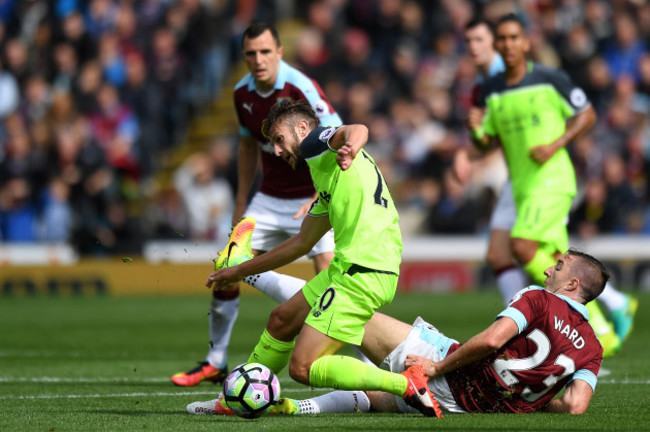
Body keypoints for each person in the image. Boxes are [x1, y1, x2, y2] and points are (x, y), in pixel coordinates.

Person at [191, 99, 442, 418]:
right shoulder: (327, 179)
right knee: (281, 320)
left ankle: (407, 385)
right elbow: (300, 243)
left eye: (279, 140)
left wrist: (350, 145)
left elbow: (357, 129)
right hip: (349, 268)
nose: (278, 152)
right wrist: (239, 270)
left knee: (303, 367)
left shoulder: (315, 143)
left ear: (302, 128)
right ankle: (235, 401)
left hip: (362, 272)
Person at [190, 248, 608, 416]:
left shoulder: (538, 298)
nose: (550, 267)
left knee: (341, 304)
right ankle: (294, 410)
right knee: (371, 399)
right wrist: (516, 396)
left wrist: (436, 364)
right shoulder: (592, 346)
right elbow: (575, 405)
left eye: (560, 266)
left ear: (572, 285)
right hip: (462, 408)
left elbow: (493, 340)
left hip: (440, 370)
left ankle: (247, 267)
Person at [171, 22, 342, 386]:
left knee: (331, 277)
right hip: (268, 200)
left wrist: (319, 194)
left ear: (279, 52)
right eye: (251, 53)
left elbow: (335, 137)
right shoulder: (240, 94)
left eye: (265, 51)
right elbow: (248, 146)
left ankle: (364, 362)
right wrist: (240, 202)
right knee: (227, 261)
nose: (258, 59)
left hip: (310, 197)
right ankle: (216, 360)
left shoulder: (302, 87)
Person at [468, 13, 636, 357]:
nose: (509, 44)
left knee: (523, 246)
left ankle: (598, 329)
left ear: (526, 42)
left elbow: (586, 113)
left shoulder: (549, 79)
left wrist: (555, 144)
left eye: (515, 37)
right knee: (557, 260)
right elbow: (487, 143)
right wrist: (475, 130)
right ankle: (610, 309)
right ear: (498, 46)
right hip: (523, 187)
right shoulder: (491, 91)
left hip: (553, 179)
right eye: (502, 39)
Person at [454, 17, 528, 305]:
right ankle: (520, 321)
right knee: (500, 253)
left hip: (534, 174)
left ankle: (604, 308)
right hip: (515, 176)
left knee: (535, 251)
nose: (473, 47)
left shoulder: (511, 76)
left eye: (479, 40)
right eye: (469, 41)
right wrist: (470, 147)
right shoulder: (481, 87)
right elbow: (489, 139)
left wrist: (471, 151)